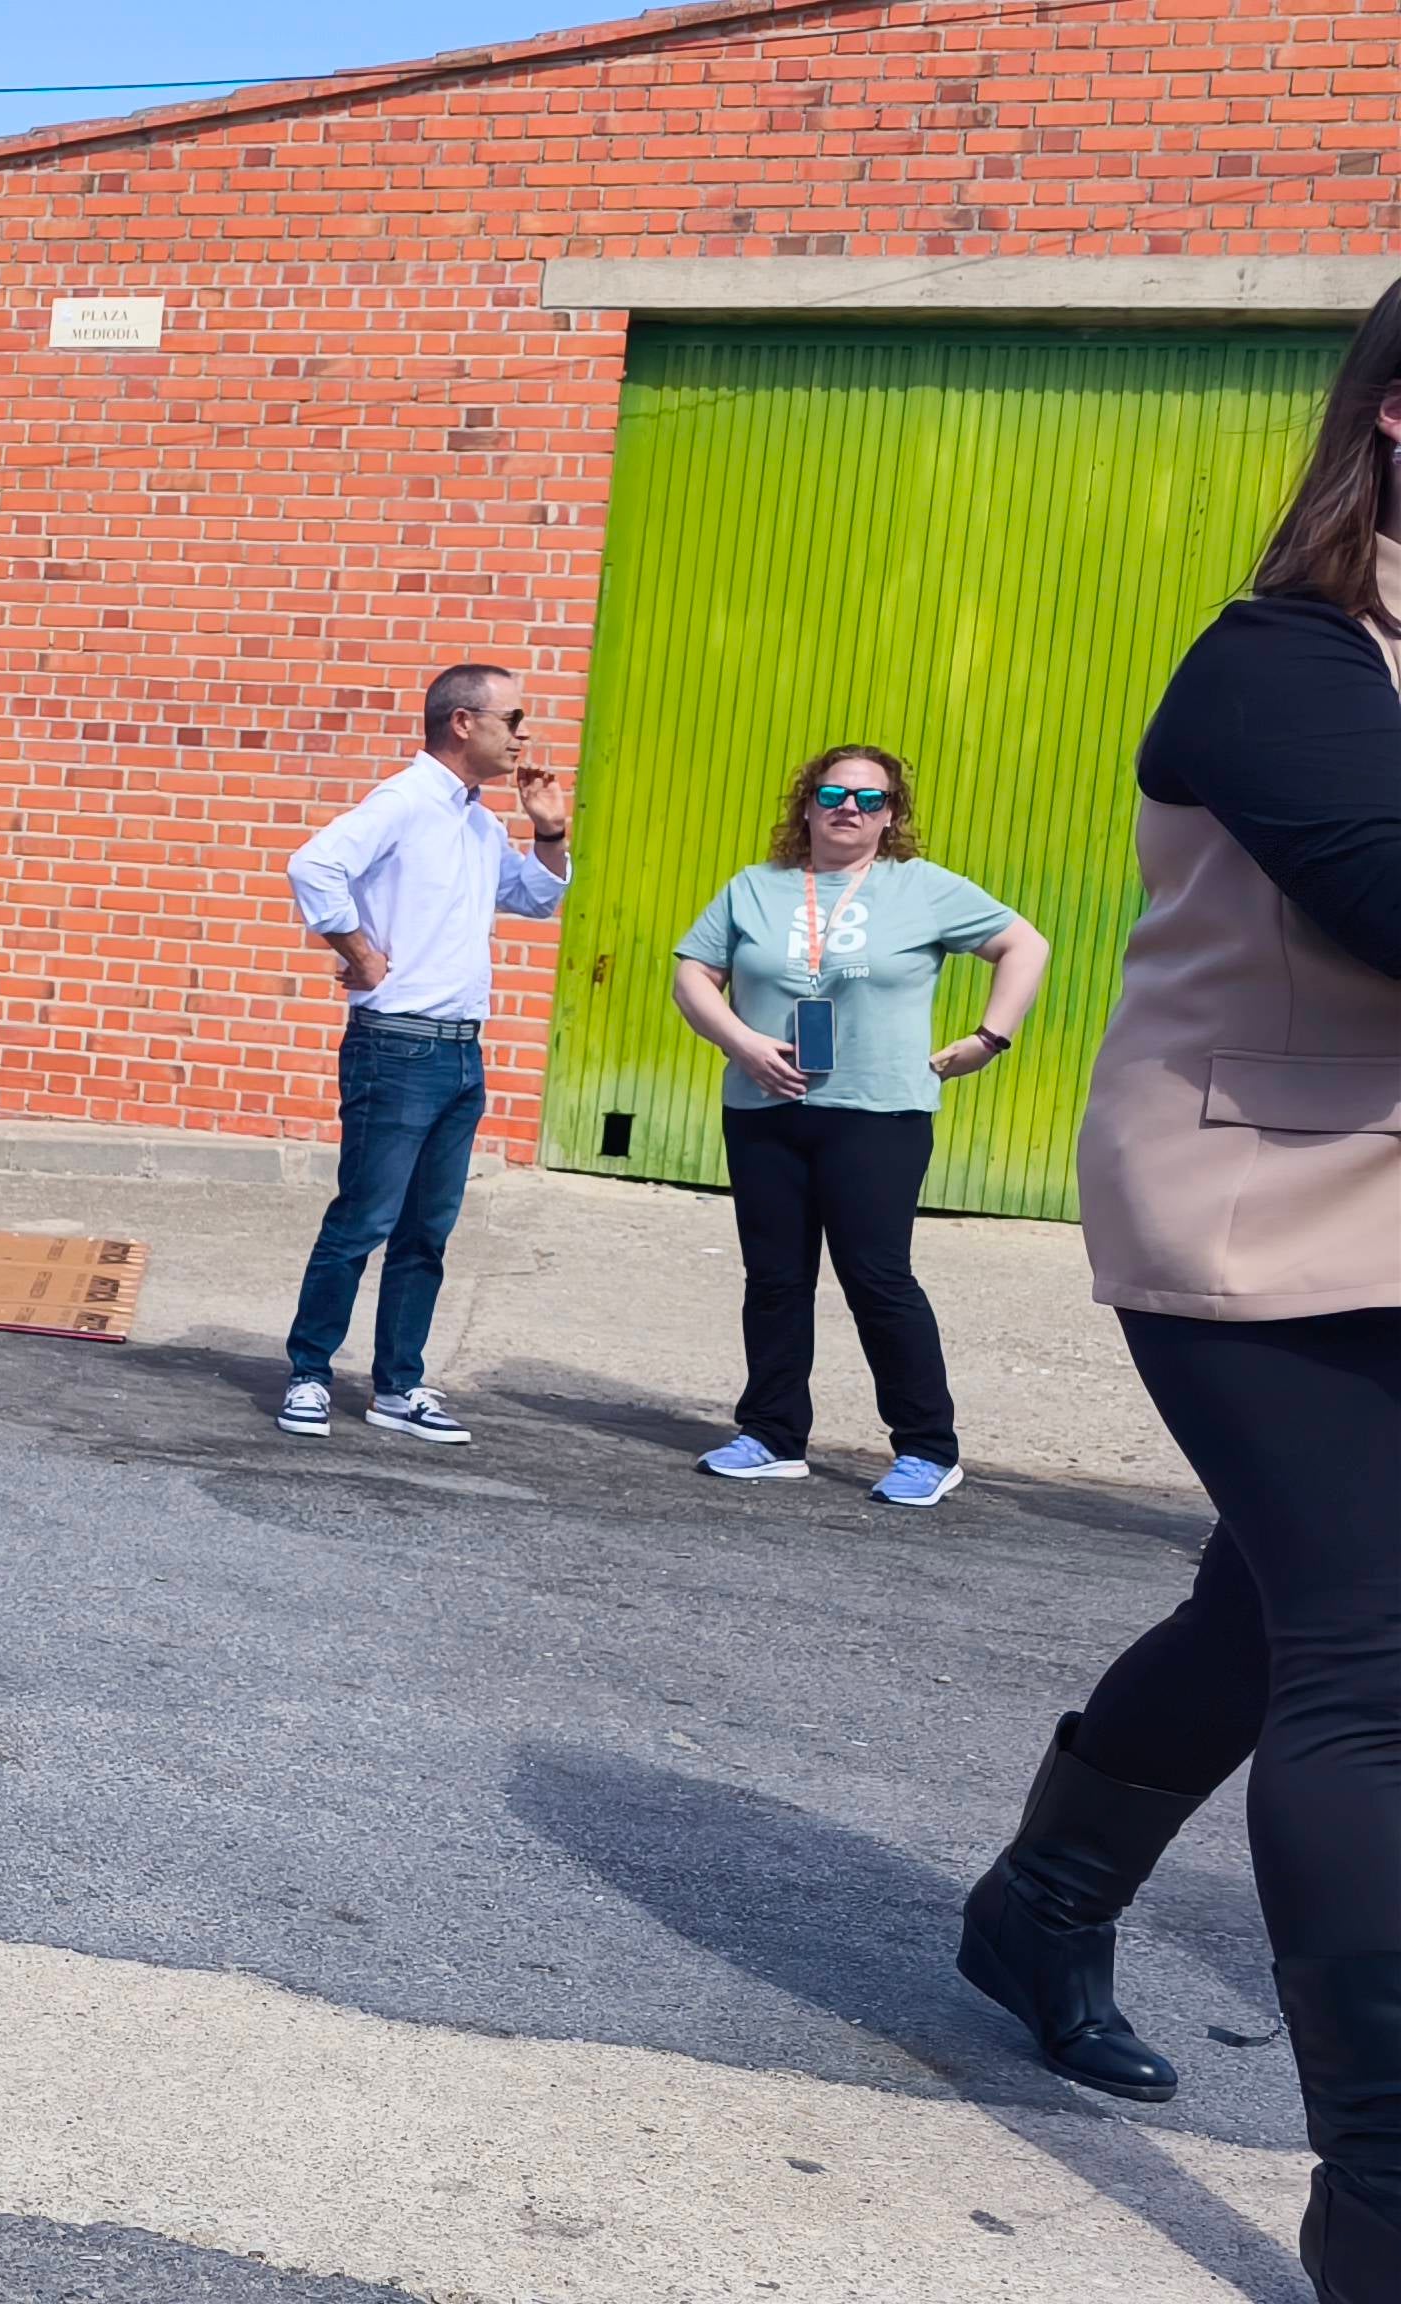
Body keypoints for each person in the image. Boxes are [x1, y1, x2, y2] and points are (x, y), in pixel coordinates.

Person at [958, 282, 1401, 2300]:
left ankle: (1041, 1898)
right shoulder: (1279, 661)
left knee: (1269, 1600)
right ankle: (1377, 2206)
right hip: (1266, 1208)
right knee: (1368, 1654)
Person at [670, 745, 1051, 1505]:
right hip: (764, 1109)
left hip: (879, 1113)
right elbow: (692, 973)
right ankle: (773, 1434)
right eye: (834, 793)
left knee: (877, 1278)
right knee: (774, 1278)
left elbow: (1024, 945)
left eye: (871, 800)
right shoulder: (756, 888)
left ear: (892, 816)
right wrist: (740, 1041)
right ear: (806, 805)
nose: (851, 809)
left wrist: (988, 1040)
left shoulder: (924, 890)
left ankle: (927, 1448)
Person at [272, 663, 574, 1445]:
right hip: (397, 1046)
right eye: (514, 719)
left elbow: (536, 901)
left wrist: (548, 830)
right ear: (463, 722)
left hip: (460, 1051)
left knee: (426, 1233)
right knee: (364, 1219)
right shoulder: (406, 802)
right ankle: (309, 1373)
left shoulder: (476, 818)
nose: (524, 736)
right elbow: (314, 864)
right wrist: (360, 953)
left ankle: (398, 1388)